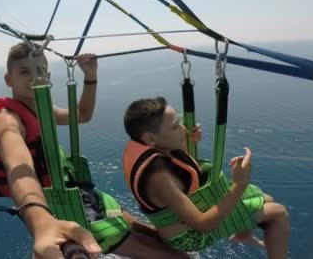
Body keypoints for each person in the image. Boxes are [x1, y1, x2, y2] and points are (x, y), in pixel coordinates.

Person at [0, 43, 188, 258]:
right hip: (60, 205)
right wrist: (39, 220)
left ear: (47, 76)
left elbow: (82, 114)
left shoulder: (41, 110)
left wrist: (90, 76)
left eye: (39, 70)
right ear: (8, 79)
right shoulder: (4, 119)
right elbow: (18, 166)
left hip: (80, 192)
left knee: (159, 238)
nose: (34, 77)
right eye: (24, 71)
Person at [122, 97, 290, 258]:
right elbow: (203, 225)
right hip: (187, 237)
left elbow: (179, 166)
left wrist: (187, 141)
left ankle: (242, 235)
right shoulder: (159, 178)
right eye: (175, 127)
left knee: (265, 198)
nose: (183, 129)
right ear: (150, 138)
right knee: (278, 213)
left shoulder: (151, 150)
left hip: (186, 220)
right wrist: (239, 184)